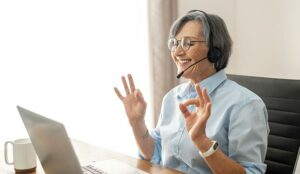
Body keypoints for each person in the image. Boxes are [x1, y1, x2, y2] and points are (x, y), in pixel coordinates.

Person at [114, 10, 269, 174]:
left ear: (214, 50)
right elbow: (155, 154)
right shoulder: (172, 98)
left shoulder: (246, 105)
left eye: (188, 43)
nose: (178, 52)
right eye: (175, 43)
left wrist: (202, 142)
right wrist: (137, 123)